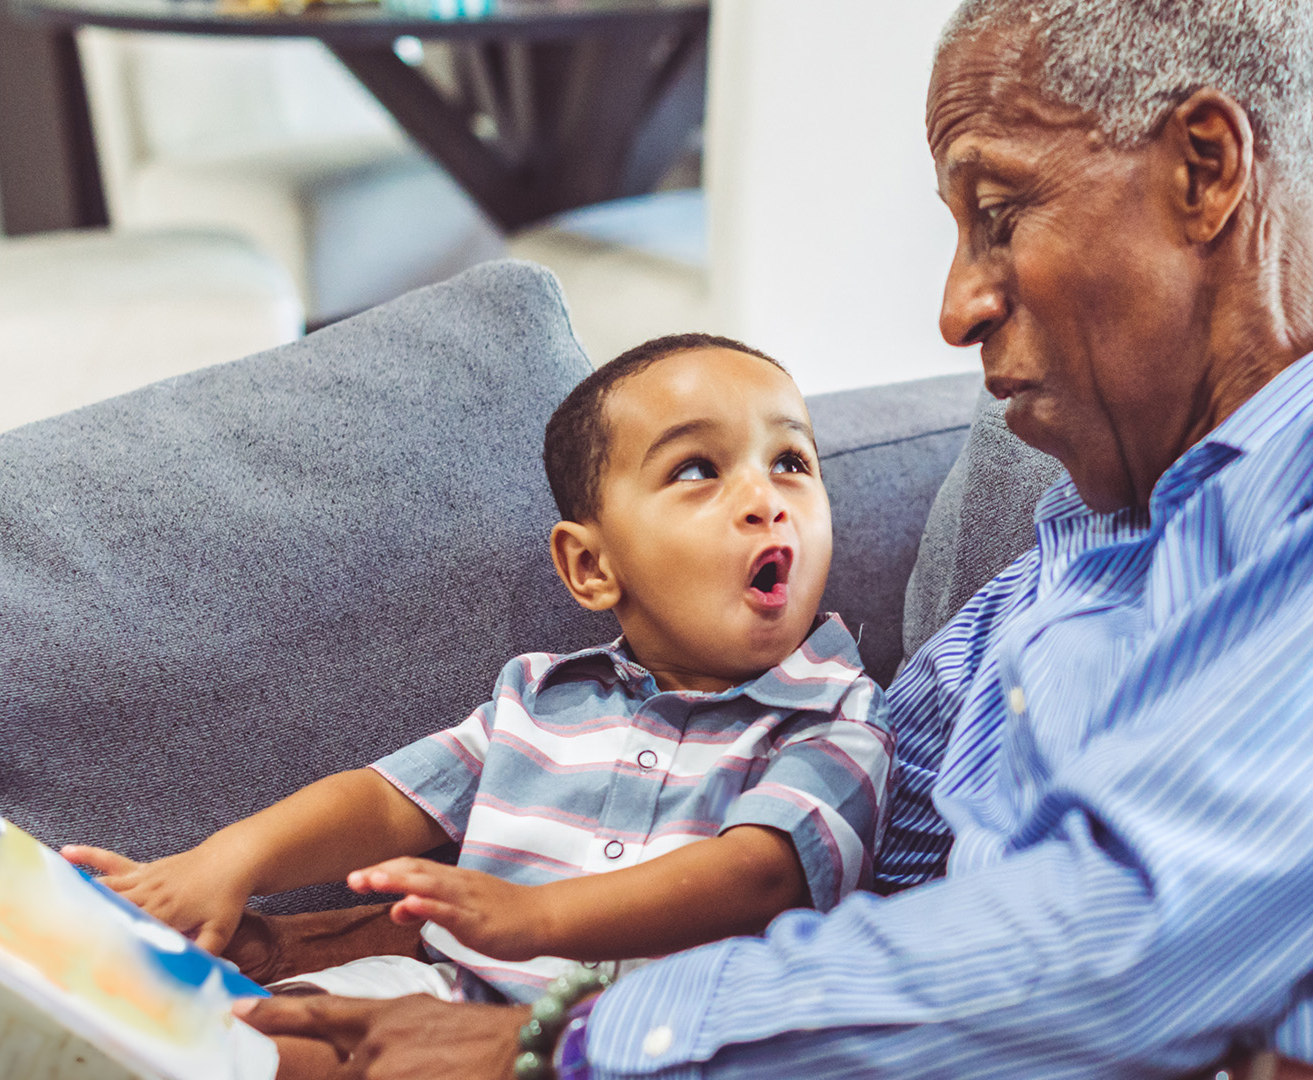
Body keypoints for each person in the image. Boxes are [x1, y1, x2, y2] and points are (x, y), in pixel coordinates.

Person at [228, 1, 1313, 1078]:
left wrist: (554, 1041)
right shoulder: (1054, 576)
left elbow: (1118, 949)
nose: (955, 303)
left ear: (1205, 170)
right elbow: (809, 866)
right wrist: (371, 945)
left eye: (999, 212)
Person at [63, 334, 891, 1064]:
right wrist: (226, 863)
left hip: (642, 1044)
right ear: (592, 568)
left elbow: (760, 875)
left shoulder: (835, 717)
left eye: (791, 461)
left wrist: (536, 918)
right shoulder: (542, 698)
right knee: (224, 1026)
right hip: (449, 999)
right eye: (698, 470)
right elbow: (387, 803)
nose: (765, 498)